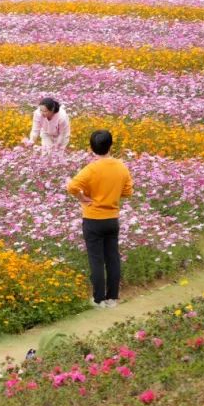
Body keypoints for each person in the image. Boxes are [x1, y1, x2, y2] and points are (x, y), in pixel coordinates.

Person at [66, 129, 133, 308]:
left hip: (93, 219)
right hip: (112, 219)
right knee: (113, 258)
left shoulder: (91, 169)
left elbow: (72, 186)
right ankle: (113, 298)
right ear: (111, 145)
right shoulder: (121, 166)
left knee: (96, 260)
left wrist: (82, 197)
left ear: (92, 148)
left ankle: (98, 299)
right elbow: (127, 191)